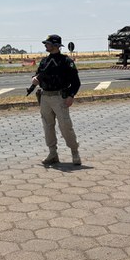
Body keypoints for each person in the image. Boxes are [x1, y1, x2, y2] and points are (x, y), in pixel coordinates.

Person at [32, 34, 82, 166]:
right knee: (47, 126)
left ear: (55, 45)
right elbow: (37, 74)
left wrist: (71, 96)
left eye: (48, 43)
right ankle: (52, 153)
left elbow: (76, 82)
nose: (45, 45)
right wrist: (34, 79)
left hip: (60, 97)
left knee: (65, 126)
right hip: (45, 97)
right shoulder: (44, 61)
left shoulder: (66, 61)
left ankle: (74, 152)